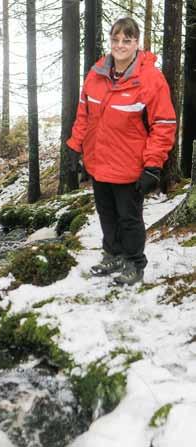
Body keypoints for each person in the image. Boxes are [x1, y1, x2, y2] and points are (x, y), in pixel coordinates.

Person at [67, 17, 176, 285]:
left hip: (130, 167)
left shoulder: (150, 79)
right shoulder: (96, 74)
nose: (120, 45)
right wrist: (74, 147)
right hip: (98, 162)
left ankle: (134, 263)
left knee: (129, 219)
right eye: (116, 39)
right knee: (106, 214)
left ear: (137, 43)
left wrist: (153, 166)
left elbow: (164, 124)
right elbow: (84, 114)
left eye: (127, 40)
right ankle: (113, 255)